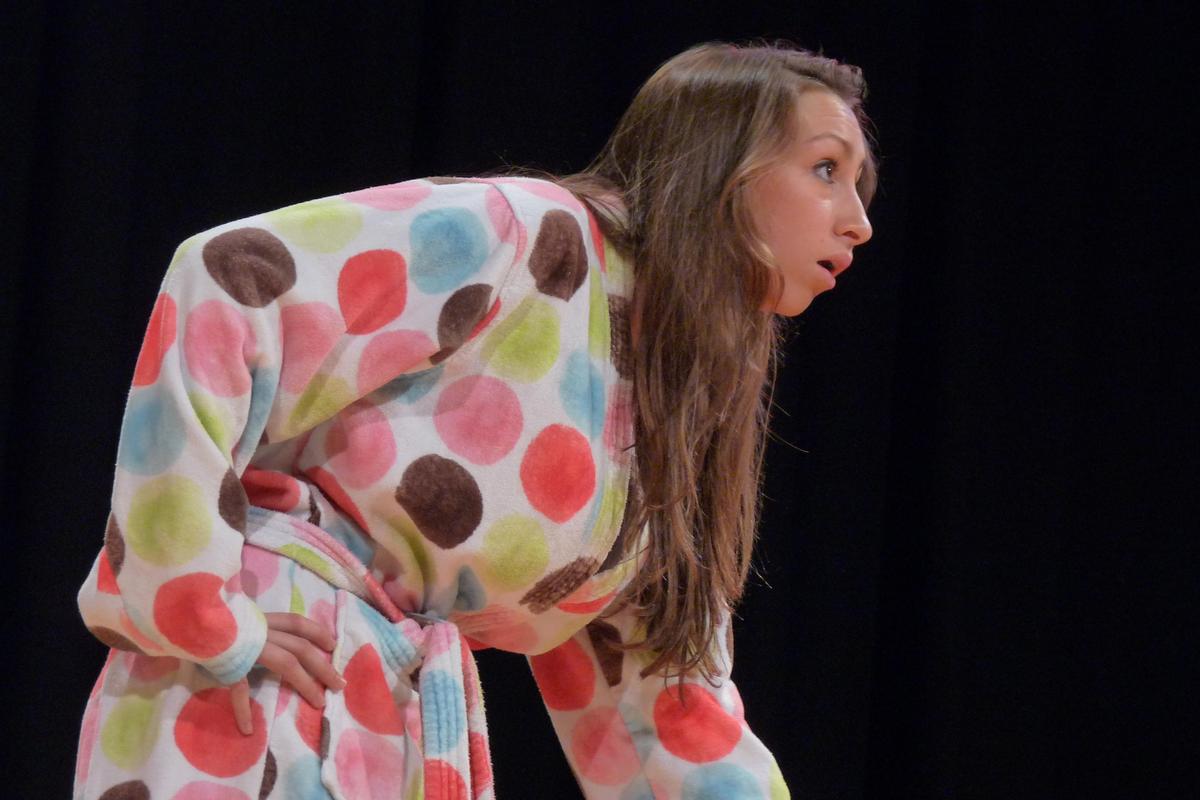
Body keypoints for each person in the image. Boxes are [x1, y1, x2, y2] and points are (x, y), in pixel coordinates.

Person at [72, 40, 874, 800]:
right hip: (259, 678)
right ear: (720, 162)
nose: (857, 222)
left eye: (858, 184)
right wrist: (194, 603)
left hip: (383, 711)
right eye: (825, 169)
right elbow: (229, 274)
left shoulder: (672, 386)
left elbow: (666, 693)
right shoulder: (528, 234)